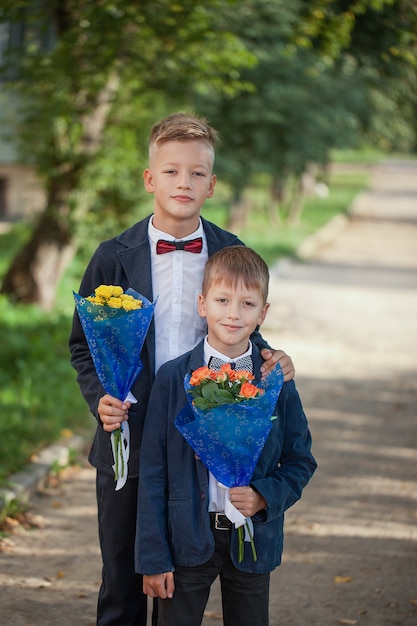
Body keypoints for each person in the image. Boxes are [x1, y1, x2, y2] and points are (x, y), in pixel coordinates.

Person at [69, 112, 295, 626]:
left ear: (212, 184)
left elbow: (243, 326)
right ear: (150, 179)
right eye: (171, 171)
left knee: (183, 585)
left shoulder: (230, 251)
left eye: (197, 174)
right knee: (123, 580)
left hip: (203, 444)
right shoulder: (113, 257)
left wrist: (273, 358)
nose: (183, 183)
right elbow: (84, 345)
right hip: (128, 434)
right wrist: (98, 399)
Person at [135, 245, 316, 626]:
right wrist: (153, 557)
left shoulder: (273, 380)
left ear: (263, 313)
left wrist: (264, 495)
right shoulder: (172, 378)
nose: (233, 313)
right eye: (222, 300)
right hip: (184, 539)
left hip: (252, 543)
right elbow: (153, 470)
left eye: (247, 304)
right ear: (202, 304)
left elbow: (301, 460)